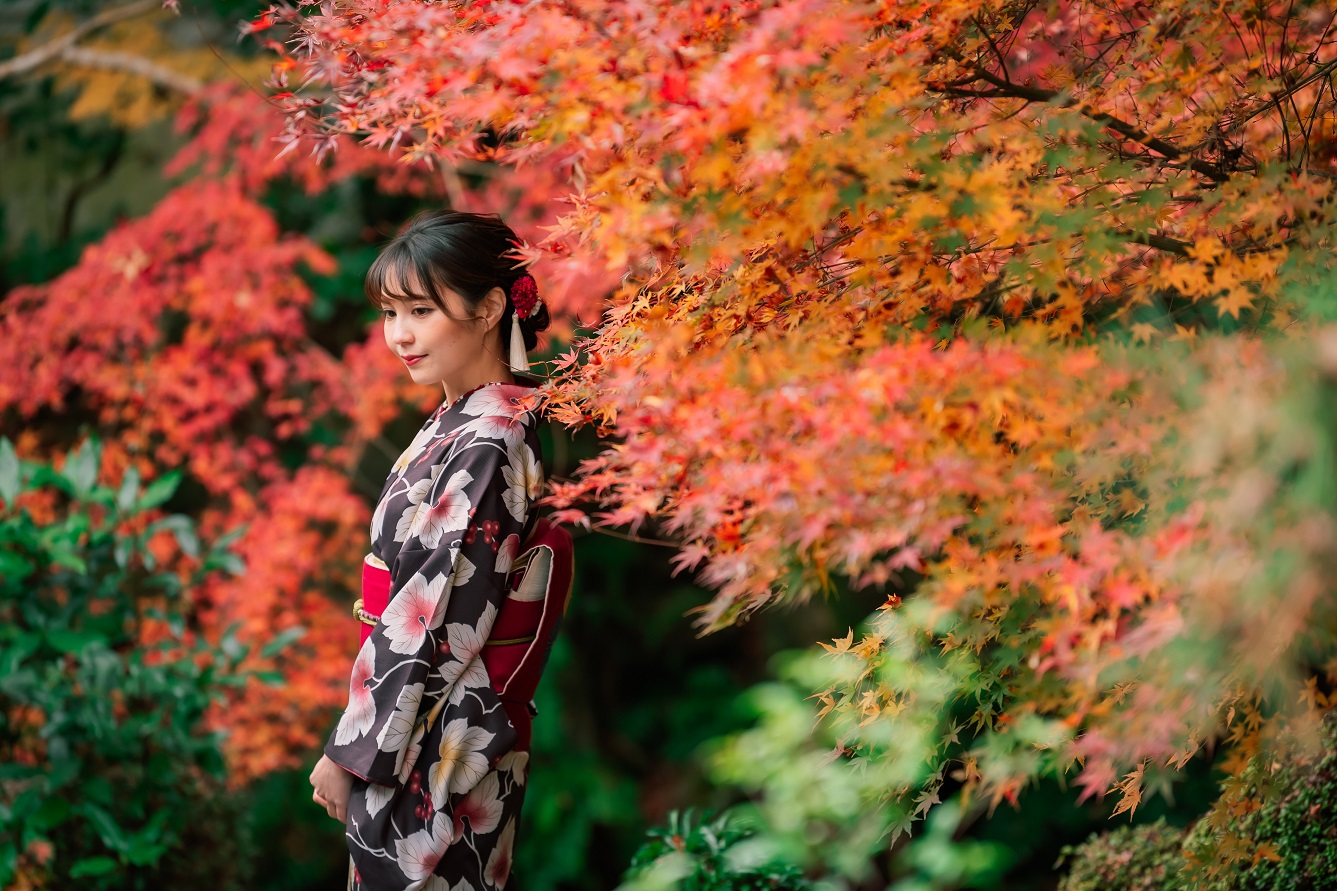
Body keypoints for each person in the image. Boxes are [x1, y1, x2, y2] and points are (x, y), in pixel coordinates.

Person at [308, 210, 558, 890]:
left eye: (420, 309)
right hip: (421, 719)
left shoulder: (489, 436)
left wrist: (353, 751)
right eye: (391, 312)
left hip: (445, 730)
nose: (400, 335)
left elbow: (435, 618)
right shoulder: (459, 420)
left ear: (488, 307)